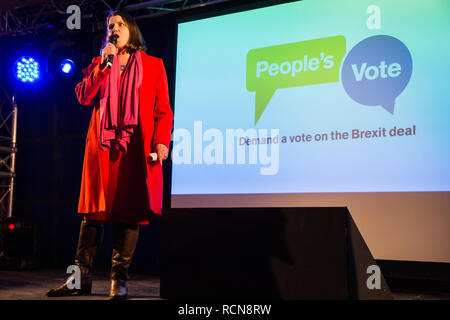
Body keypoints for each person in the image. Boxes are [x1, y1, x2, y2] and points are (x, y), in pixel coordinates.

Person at [46, 11, 173, 299]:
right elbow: (83, 96)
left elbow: (163, 112)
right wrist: (104, 65)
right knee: (92, 213)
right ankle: (80, 279)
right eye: (109, 26)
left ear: (132, 31)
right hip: (102, 149)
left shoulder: (154, 66)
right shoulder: (100, 63)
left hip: (134, 148)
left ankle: (120, 280)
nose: (113, 30)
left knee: (130, 212)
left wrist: (161, 143)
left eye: (119, 25)